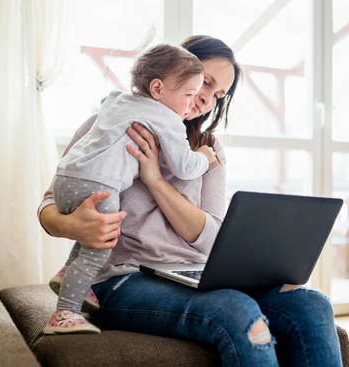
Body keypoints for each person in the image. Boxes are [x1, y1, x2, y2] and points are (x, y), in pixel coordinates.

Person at [38, 35, 342, 365]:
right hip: (123, 278)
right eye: (205, 84)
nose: (206, 100)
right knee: (235, 309)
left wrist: (154, 178)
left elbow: (211, 237)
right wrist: (72, 225)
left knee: (313, 304)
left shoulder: (207, 151)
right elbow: (51, 201)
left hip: (195, 273)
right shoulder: (115, 121)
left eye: (218, 95)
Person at [43, 44, 216, 335]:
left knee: (93, 235)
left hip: (66, 179)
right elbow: (185, 167)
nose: (196, 102)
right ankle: (65, 313)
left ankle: (68, 271)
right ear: (158, 88)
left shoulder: (116, 100)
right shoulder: (168, 119)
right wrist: (205, 158)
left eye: (217, 95)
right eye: (190, 93)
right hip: (100, 187)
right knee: (98, 250)